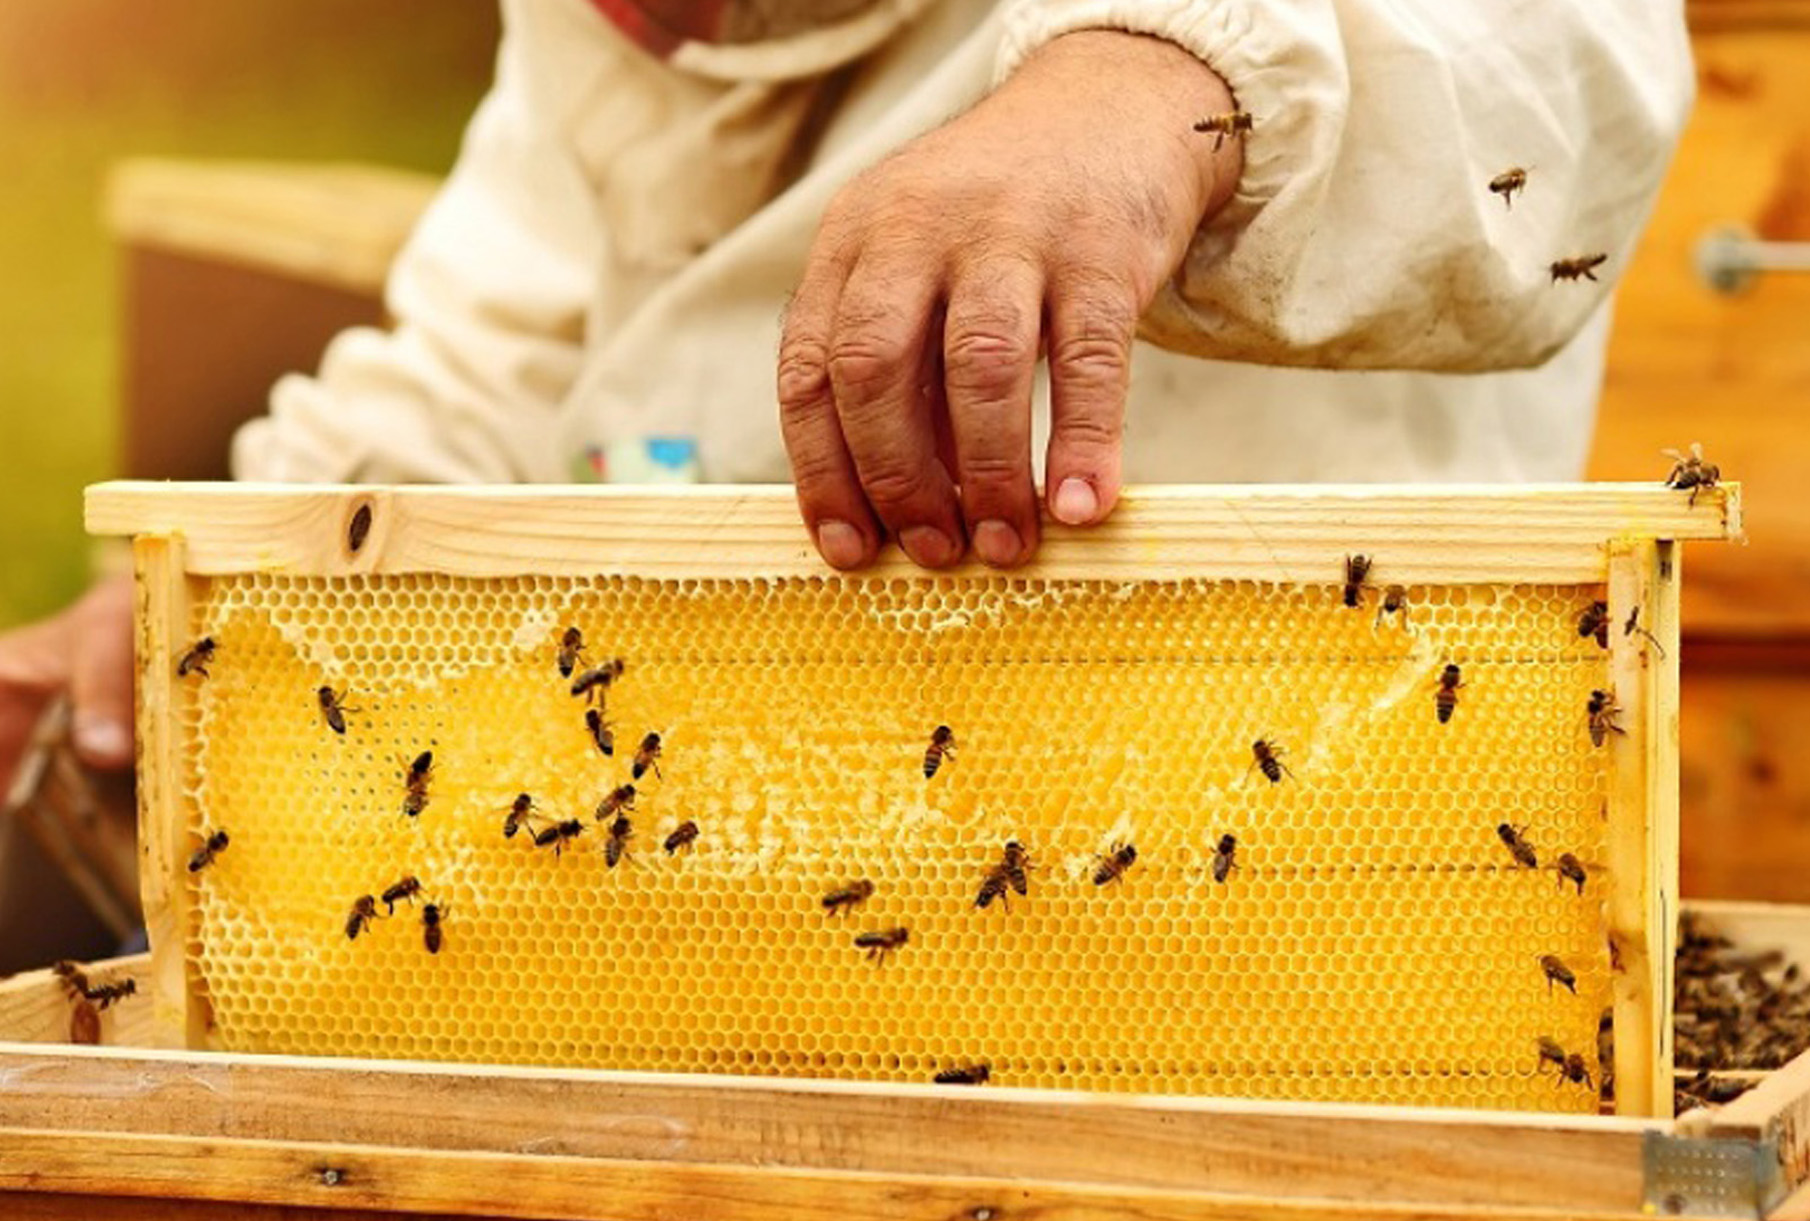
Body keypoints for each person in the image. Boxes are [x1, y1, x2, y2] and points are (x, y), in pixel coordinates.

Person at [0, 0, 1693, 797]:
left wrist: (1163, 79)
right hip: (716, 917)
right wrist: (188, 601)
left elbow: (1567, 63)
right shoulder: (606, 35)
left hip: (1281, 881)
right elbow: (488, 362)